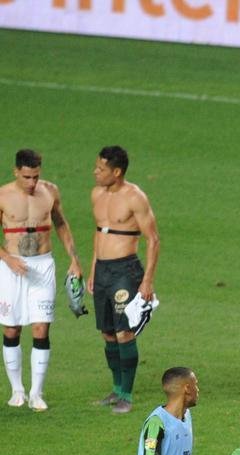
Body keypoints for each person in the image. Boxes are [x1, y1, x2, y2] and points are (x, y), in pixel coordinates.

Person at [0, 149, 82, 412]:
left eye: (36, 176)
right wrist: (8, 259)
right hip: (11, 266)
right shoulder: (3, 195)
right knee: (12, 330)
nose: (32, 182)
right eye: (27, 177)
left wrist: (74, 259)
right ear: (16, 172)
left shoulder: (50, 192)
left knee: (41, 329)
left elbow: (61, 223)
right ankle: (17, 390)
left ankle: (36, 393)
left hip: (42, 265)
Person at [88, 146, 161, 415]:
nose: (95, 172)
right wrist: (94, 268)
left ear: (116, 172)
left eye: (101, 168)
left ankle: (127, 395)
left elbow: (153, 239)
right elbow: (99, 233)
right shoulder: (96, 194)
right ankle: (116, 389)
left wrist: (147, 281)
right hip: (104, 271)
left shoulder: (135, 197)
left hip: (125, 271)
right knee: (107, 331)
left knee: (124, 332)